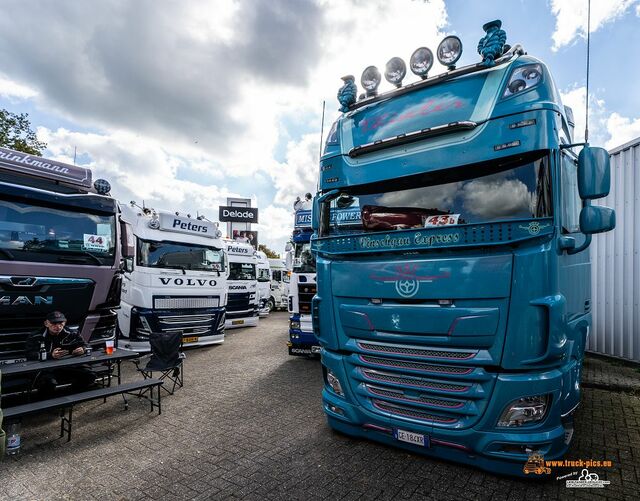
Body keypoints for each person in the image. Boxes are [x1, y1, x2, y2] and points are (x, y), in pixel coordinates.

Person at [25, 311, 95, 399]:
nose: (58, 326)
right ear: (46, 323)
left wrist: (83, 349)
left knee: (89, 375)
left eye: (60, 323)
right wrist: (50, 355)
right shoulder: (35, 336)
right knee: (48, 382)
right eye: (54, 323)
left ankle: (70, 397)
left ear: (64, 323)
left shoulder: (72, 333)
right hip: (46, 369)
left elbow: (87, 345)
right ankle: (44, 404)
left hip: (68, 366)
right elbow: (29, 354)